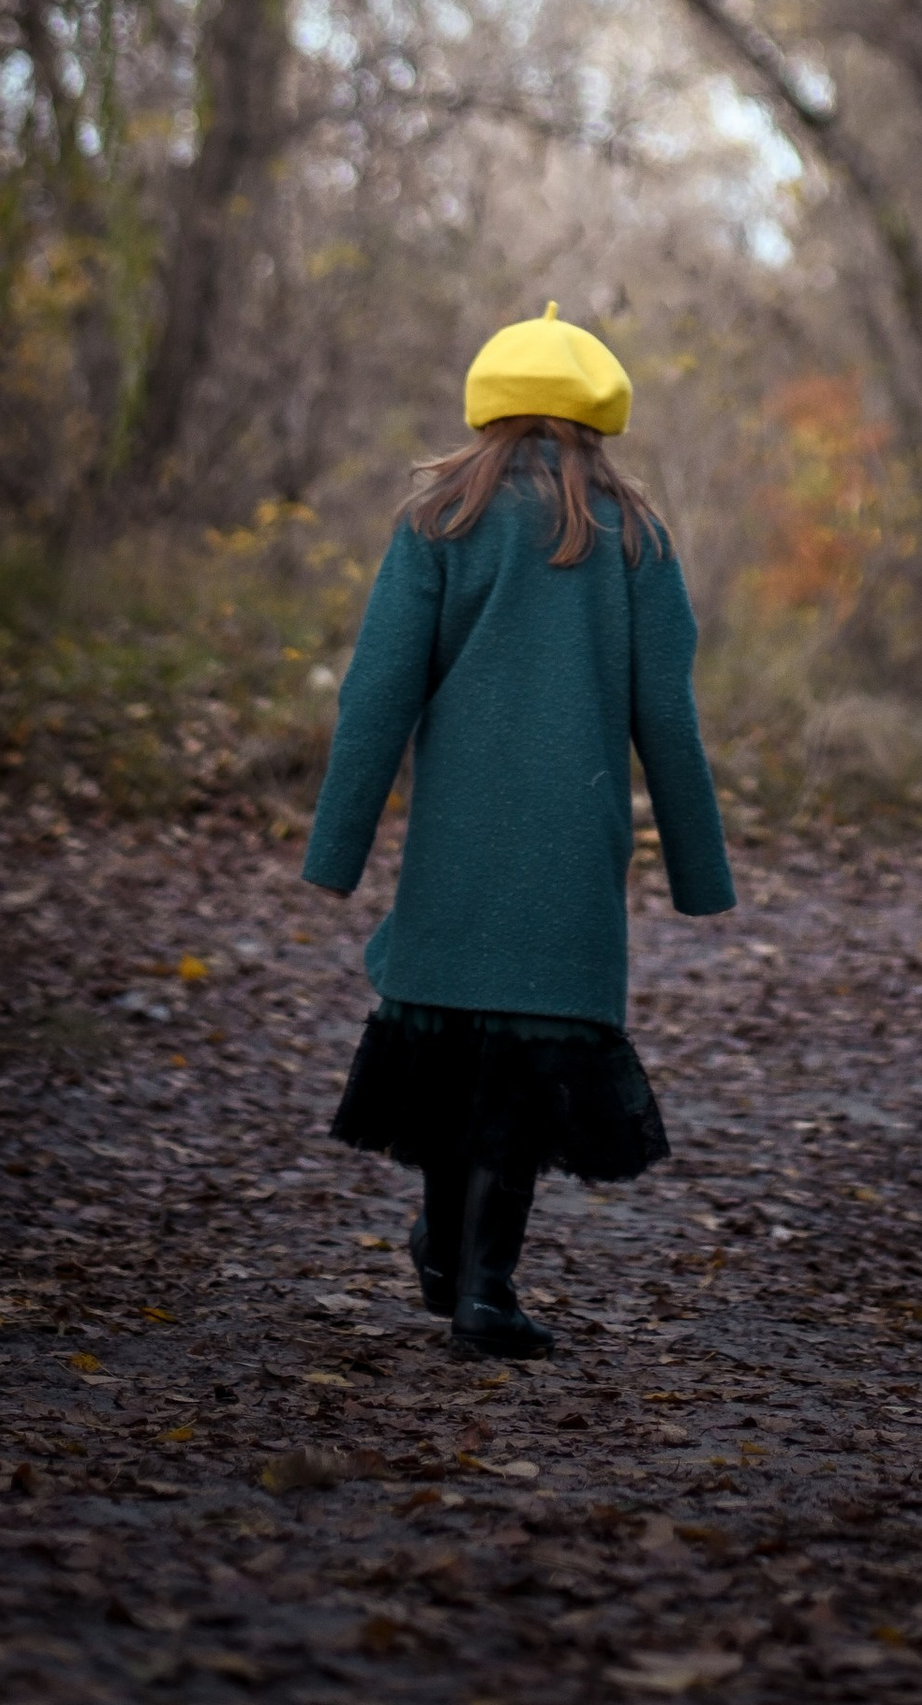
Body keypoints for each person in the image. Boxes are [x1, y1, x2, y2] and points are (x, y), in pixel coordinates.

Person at [302, 304, 736, 1359]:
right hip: (568, 853)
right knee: (526, 1064)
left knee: (455, 1052)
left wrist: (339, 848)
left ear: (487, 409)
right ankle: (481, 1282)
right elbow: (666, 716)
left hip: (456, 844)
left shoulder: (437, 522)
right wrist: (697, 870)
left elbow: (375, 696)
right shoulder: (634, 536)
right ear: (599, 421)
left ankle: (453, 1258)